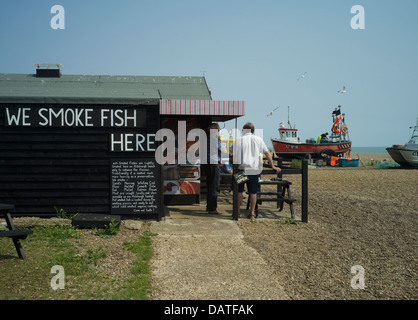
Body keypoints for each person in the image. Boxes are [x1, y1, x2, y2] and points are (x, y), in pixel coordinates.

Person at [235, 122, 281, 219]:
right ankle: (252, 213)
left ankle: (237, 212)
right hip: (254, 170)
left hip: (241, 169)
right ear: (253, 130)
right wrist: (272, 166)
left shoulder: (238, 140)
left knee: (239, 191)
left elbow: (235, 156)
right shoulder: (258, 139)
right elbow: (268, 153)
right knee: (253, 192)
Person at [205, 123, 223, 214]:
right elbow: (223, 151)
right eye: (218, 129)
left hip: (207, 164)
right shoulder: (214, 139)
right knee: (214, 186)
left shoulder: (206, 138)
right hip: (214, 164)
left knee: (210, 185)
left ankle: (209, 206)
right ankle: (212, 208)